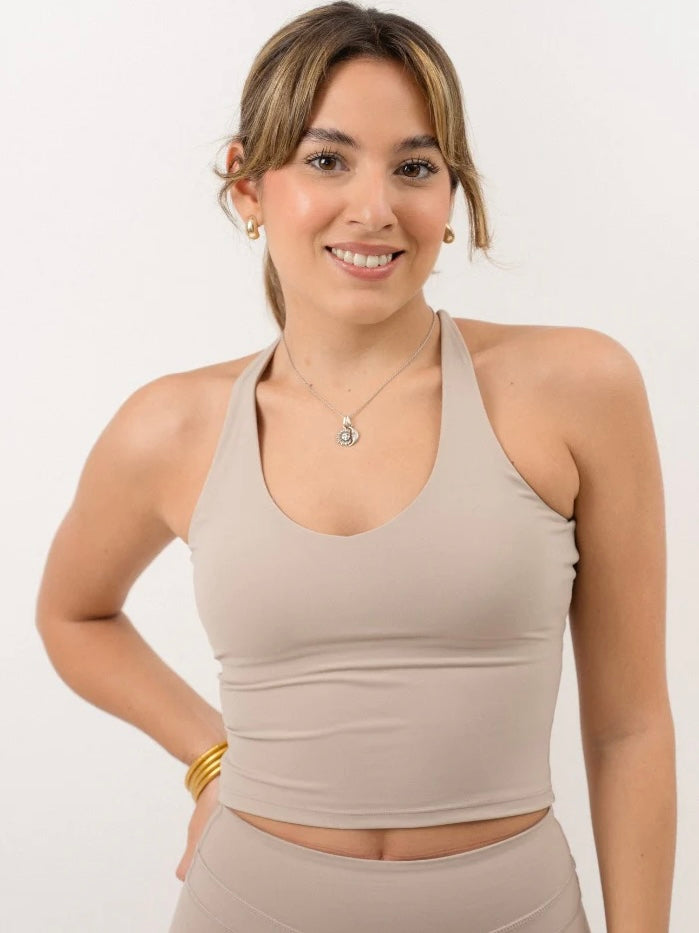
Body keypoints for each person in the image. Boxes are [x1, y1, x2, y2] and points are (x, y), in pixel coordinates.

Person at [35, 2, 676, 931]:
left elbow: (628, 728)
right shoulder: (171, 426)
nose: (374, 209)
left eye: (414, 167)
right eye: (326, 160)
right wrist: (210, 758)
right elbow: (73, 613)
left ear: (450, 197)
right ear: (248, 186)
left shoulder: (575, 387)